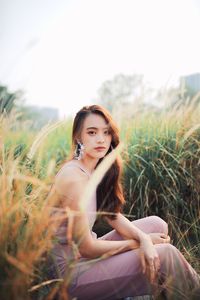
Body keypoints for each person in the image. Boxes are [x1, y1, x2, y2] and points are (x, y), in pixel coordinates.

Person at [47, 104, 200, 300]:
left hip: (85, 256)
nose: (101, 139)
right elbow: (87, 248)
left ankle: (170, 291)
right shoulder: (74, 179)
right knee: (166, 254)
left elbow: (111, 214)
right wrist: (138, 243)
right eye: (92, 132)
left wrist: (145, 239)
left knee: (156, 224)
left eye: (106, 132)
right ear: (78, 137)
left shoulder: (92, 169)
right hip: (71, 273)